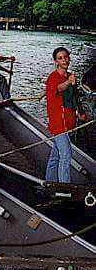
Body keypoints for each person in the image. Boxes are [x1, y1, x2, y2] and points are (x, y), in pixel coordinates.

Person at [45, 47, 83, 183]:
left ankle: (50, 182)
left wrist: (80, 112)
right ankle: (64, 187)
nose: (64, 60)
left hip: (68, 123)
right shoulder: (53, 78)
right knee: (66, 154)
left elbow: (74, 98)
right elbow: (57, 89)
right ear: (55, 61)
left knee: (56, 155)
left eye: (66, 57)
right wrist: (68, 82)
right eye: (60, 58)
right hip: (58, 124)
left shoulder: (70, 76)